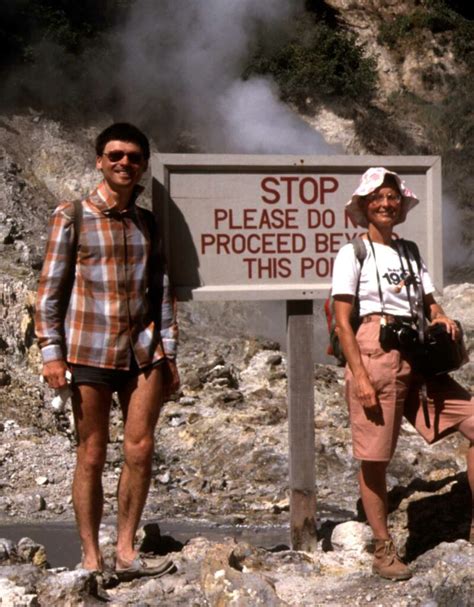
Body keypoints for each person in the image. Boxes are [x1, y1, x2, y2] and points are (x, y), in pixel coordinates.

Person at [35, 123, 179, 575]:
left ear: (143, 167)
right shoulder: (72, 216)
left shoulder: (147, 223)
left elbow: (162, 290)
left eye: (133, 158)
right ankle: (91, 556)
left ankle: (126, 549)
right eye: (115, 155)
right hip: (88, 350)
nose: (124, 163)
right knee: (92, 453)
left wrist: (169, 352)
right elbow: (49, 293)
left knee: (140, 449)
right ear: (99, 160)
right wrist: (51, 353)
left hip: (143, 351)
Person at [332, 167, 473, 581]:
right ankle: (383, 548)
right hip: (375, 349)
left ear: (401, 204)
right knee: (375, 456)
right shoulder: (352, 253)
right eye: (377, 197)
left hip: (418, 353)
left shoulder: (410, 251)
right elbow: (343, 321)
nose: (386, 203)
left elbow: (430, 302)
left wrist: (442, 315)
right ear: (363, 205)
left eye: (392, 196)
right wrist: (359, 376)